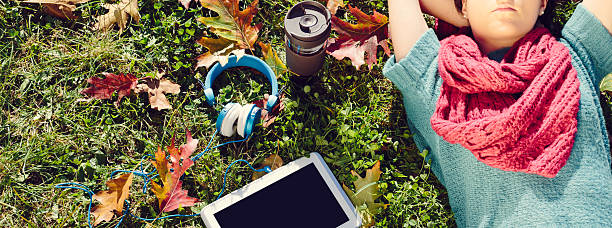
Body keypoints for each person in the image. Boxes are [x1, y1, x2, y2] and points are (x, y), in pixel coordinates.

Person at [384, 0, 612, 226]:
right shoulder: (437, 85)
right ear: (462, 5)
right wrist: (473, 14)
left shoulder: (576, 54)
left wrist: (475, 12)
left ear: (543, 3)